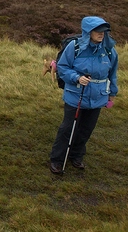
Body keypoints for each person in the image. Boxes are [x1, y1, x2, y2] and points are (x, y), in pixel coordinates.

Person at [49, 16, 119, 174]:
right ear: (88, 31)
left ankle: (76, 155)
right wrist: (76, 78)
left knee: (86, 128)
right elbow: (63, 67)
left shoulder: (109, 49)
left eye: (104, 30)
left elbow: (113, 73)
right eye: (97, 30)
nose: (101, 33)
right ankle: (57, 159)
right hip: (76, 95)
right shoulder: (74, 47)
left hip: (98, 96)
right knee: (68, 128)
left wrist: (112, 93)